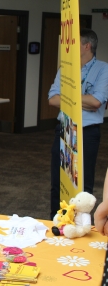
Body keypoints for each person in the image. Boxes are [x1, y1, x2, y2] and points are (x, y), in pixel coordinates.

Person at [48, 28, 108, 220]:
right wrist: (83, 101)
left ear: (86, 46)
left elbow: (96, 102)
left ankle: (82, 225)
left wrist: (69, 99)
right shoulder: (65, 68)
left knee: (84, 183)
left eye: (75, 43)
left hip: (87, 132)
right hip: (64, 129)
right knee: (58, 181)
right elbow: (52, 99)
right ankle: (55, 221)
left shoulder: (103, 69)